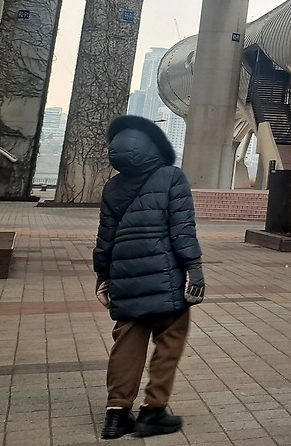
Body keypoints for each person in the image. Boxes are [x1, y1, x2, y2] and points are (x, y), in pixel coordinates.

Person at [94, 115, 206, 439]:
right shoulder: (172, 176)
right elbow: (182, 230)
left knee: (127, 342)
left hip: (125, 277)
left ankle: (116, 415)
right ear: (155, 147)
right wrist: (195, 270)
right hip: (166, 277)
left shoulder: (113, 187)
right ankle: (153, 411)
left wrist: (102, 276)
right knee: (170, 339)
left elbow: (105, 237)